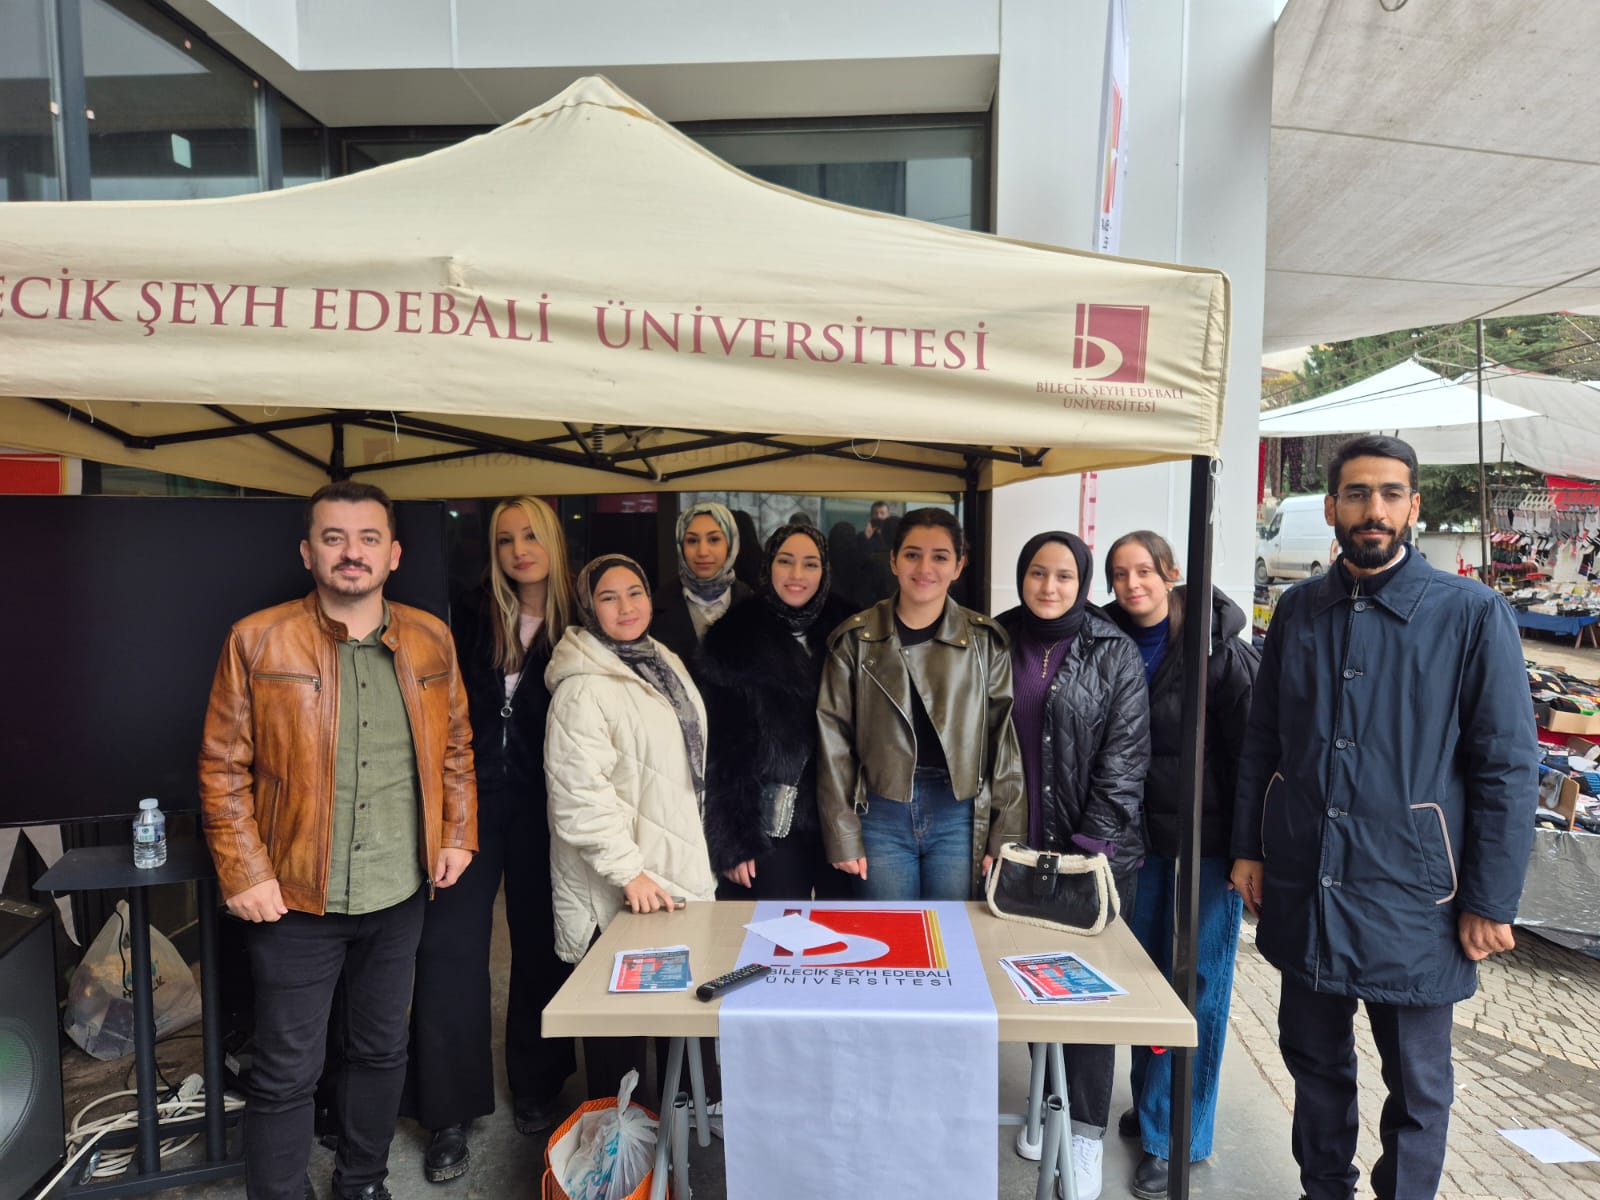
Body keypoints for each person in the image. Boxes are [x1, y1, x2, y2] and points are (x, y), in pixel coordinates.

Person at [1232, 434, 1538, 1200]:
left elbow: (1506, 766)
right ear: (1332, 506)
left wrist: (1491, 899)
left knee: (1418, 1087)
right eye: (1358, 493)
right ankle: (1323, 1190)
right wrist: (1250, 848)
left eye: (1391, 493)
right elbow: (1264, 740)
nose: (1374, 509)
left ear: (1414, 507)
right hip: (1309, 882)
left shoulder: (1472, 613)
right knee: (1314, 1063)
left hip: (1417, 898)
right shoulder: (1299, 609)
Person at [198, 481, 476, 1200]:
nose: (352, 552)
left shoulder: (430, 638)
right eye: (334, 538)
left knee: (381, 1052)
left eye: (368, 538)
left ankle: (362, 1184)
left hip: (400, 889)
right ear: (307, 551)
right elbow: (222, 769)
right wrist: (244, 872)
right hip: (293, 899)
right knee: (286, 1072)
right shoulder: (256, 638)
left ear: (394, 554)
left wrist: (457, 833)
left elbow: (456, 748)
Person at [405, 497, 577, 1182]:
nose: (518, 550)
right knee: (448, 950)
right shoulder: (465, 612)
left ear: (554, 542)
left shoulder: (580, 620)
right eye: (505, 539)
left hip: (546, 803)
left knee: (541, 943)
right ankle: (447, 1111)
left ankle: (539, 1082)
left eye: (531, 535)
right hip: (466, 799)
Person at [1103, 531, 1258, 1200]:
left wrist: (1250, 850)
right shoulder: (1107, 639)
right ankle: (1153, 1106)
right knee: (1144, 982)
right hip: (1136, 843)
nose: (1132, 584)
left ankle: (1175, 1136)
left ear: (1170, 574)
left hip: (1206, 845)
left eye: (1144, 570)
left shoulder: (1217, 650)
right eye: (1119, 574)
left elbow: (1254, 756)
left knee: (1194, 984)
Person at [995, 531, 1150, 1200]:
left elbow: (1126, 754)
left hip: (1093, 857)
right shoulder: (997, 638)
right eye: (1038, 572)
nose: (1049, 586)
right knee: (1028, 985)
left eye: (1064, 576)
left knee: (1085, 1001)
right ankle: (1045, 1105)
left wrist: (1090, 848)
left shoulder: (1112, 649)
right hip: (1014, 850)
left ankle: (1082, 1136)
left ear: (1083, 583)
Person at [544, 554, 718, 1100]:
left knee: (678, 1007)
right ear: (588, 608)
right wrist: (630, 874)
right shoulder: (581, 686)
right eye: (608, 597)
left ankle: (681, 1120)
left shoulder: (660, 660)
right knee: (619, 1027)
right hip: (621, 883)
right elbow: (578, 796)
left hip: (672, 863)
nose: (626, 606)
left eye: (635, 592)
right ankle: (619, 1134)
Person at [816, 507, 1024, 901]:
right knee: (890, 932)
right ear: (893, 560)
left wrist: (1006, 832)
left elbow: (1004, 742)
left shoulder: (985, 641)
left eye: (940, 556)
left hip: (959, 812)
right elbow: (833, 740)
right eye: (912, 554)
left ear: (958, 565)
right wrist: (842, 832)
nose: (925, 568)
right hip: (880, 810)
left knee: (955, 931)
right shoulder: (855, 640)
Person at [697, 522, 858, 900]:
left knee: (845, 928)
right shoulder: (731, 638)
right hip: (771, 823)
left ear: (825, 570)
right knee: (778, 928)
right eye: (785, 561)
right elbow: (723, 750)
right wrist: (733, 838)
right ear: (768, 566)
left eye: (810, 564)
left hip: (845, 817)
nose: (797, 574)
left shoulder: (853, 631)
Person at [651, 500, 753, 660]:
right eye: (692, 541)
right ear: (681, 546)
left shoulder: (754, 605)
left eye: (714, 539)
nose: (703, 552)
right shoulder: (654, 608)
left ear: (730, 544)